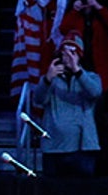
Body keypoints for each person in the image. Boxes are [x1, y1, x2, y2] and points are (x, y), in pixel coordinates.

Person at [31, 35, 101, 176]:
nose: (68, 57)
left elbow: (95, 92)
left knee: (82, 194)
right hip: (54, 147)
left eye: (72, 53)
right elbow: (38, 100)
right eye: (65, 52)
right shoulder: (51, 78)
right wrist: (47, 79)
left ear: (79, 55)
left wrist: (77, 70)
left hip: (83, 148)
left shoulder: (91, 77)